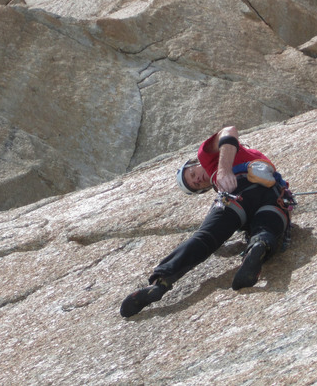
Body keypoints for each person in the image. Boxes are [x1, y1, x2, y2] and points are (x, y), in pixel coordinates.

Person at [120, 125, 294, 318]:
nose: (199, 179)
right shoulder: (222, 177)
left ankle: (161, 280)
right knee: (267, 226)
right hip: (275, 197)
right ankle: (258, 247)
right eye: (197, 184)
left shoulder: (206, 155)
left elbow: (229, 130)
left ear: (194, 163)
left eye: (193, 174)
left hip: (238, 192)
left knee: (205, 238)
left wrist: (224, 170)